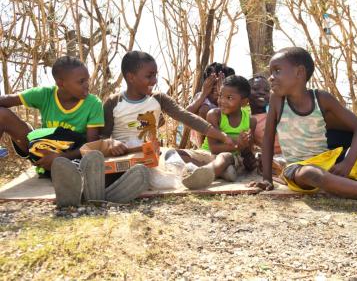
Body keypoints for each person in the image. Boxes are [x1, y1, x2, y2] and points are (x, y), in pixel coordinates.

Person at [55, 51, 235, 205]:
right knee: (115, 171)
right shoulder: (113, 102)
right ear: (130, 77)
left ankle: (102, 194)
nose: (154, 80)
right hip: (123, 158)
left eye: (155, 75)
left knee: (164, 165)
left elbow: (187, 117)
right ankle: (84, 189)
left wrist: (221, 136)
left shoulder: (158, 99)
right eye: (149, 76)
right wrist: (111, 143)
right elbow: (102, 138)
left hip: (151, 157)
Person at [252, 47, 357, 211]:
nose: (271, 78)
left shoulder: (321, 98)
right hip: (299, 168)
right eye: (271, 73)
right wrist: (267, 179)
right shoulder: (277, 100)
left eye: (277, 71)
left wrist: (348, 162)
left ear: (299, 72)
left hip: (332, 160)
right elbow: (267, 140)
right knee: (312, 174)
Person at [0, 56, 104, 206]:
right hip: (43, 149)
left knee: (77, 152)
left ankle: (68, 178)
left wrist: (60, 157)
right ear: (61, 83)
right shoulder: (45, 94)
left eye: (87, 80)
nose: (87, 85)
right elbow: (7, 99)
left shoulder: (93, 104)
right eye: (81, 81)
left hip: (72, 156)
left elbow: (91, 146)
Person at [178, 75, 257, 189]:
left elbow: (248, 149)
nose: (222, 101)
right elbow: (213, 148)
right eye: (220, 96)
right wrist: (237, 145)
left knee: (224, 157)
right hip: (208, 154)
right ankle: (223, 172)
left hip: (231, 157)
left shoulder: (250, 121)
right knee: (176, 153)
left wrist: (245, 147)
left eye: (229, 98)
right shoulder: (214, 115)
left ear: (244, 102)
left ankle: (206, 175)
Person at [186, 62, 235, 147]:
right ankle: (203, 148)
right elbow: (185, 114)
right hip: (202, 139)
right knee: (204, 109)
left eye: (219, 82)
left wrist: (222, 94)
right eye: (212, 82)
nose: (215, 87)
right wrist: (204, 94)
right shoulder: (202, 96)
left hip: (224, 138)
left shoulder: (230, 98)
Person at [248, 75, 285, 178]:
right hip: (273, 157)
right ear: (246, 93)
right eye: (255, 89)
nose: (262, 92)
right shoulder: (248, 120)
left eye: (266, 90)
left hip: (291, 152)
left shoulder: (276, 112)